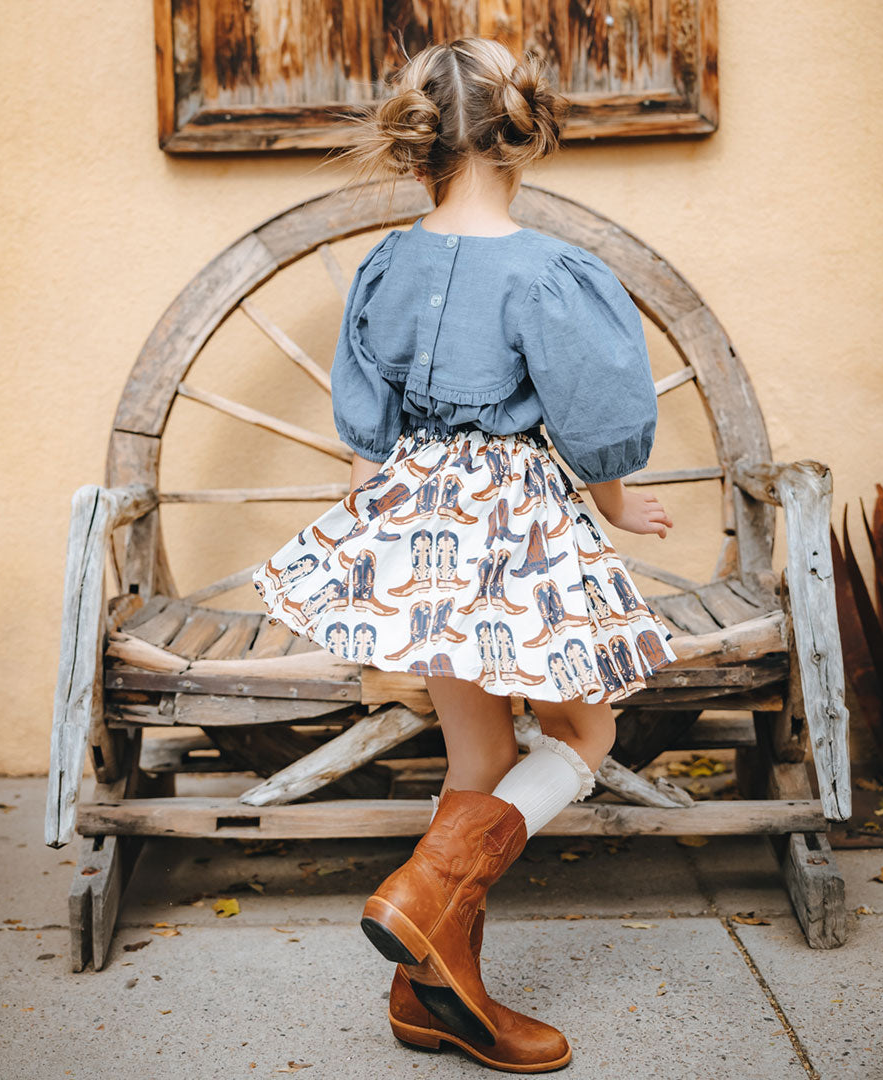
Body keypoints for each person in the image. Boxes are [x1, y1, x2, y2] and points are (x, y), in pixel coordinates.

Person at [253, 35, 677, 1073]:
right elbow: (590, 416)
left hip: (419, 525)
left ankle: (429, 990)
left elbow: (370, 421)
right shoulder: (551, 271)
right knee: (585, 728)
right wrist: (616, 503)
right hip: (515, 525)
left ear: (417, 146)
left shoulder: (388, 262)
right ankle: (426, 891)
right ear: (523, 131)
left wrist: (378, 535)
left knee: (478, 754)